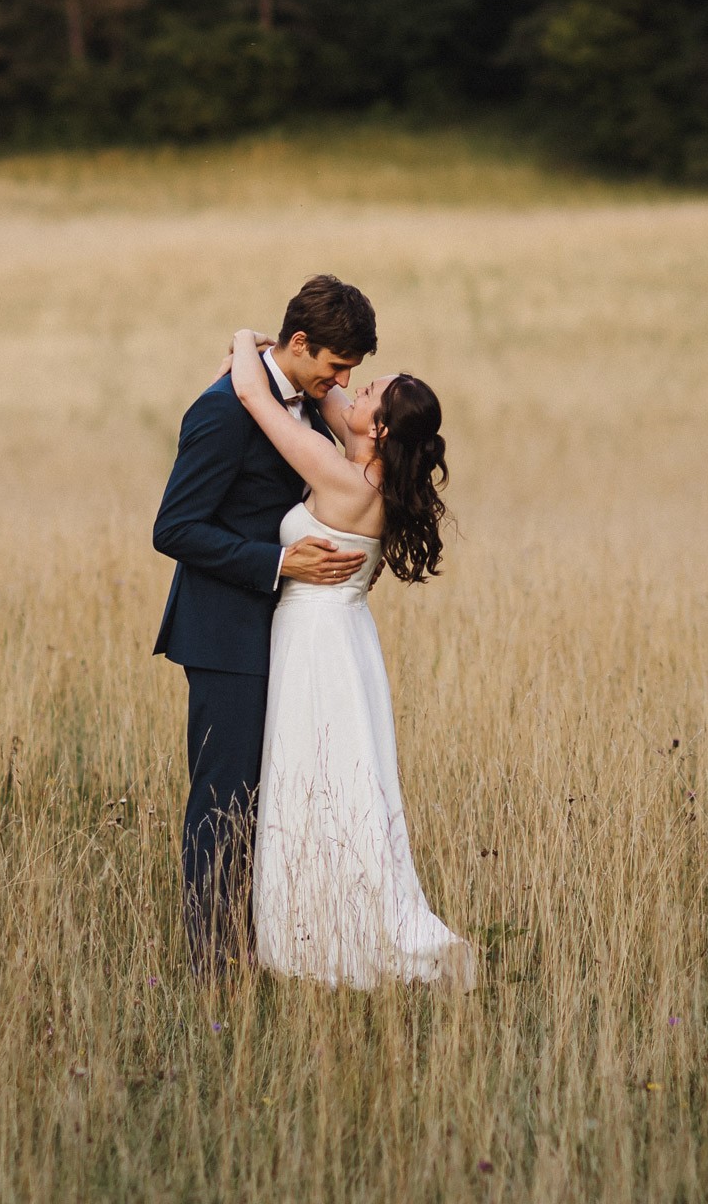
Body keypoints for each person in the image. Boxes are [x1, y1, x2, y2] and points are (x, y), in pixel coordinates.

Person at [217, 325, 475, 990]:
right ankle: (321, 922)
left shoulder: (343, 475)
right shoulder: (372, 469)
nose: (353, 389)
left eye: (371, 393)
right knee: (342, 782)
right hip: (346, 640)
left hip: (317, 644)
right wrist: (304, 357)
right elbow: (328, 395)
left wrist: (248, 340)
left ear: (382, 431)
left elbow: (253, 393)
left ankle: (324, 938)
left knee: (318, 782)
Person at [152, 276, 377, 979]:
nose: (341, 382)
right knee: (222, 800)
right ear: (301, 344)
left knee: (264, 798)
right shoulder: (222, 411)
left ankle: (267, 944)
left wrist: (246, 339)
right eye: (336, 366)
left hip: (281, 633)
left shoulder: (299, 398)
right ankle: (212, 964)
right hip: (223, 634)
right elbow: (175, 528)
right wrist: (278, 562)